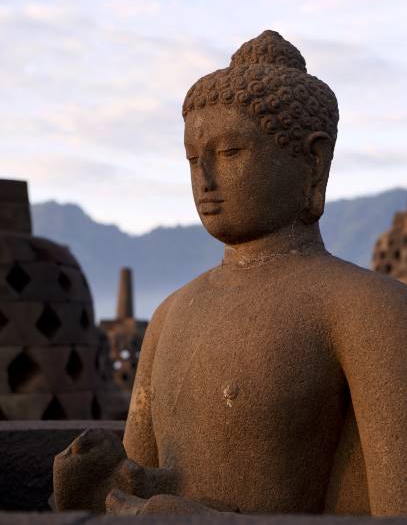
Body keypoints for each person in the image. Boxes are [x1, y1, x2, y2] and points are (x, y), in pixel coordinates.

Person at [54, 31, 407, 516]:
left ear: (313, 160)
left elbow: (397, 510)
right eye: (193, 160)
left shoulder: (367, 309)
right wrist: (98, 486)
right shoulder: (169, 315)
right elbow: (140, 490)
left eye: (230, 153)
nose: (205, 180)